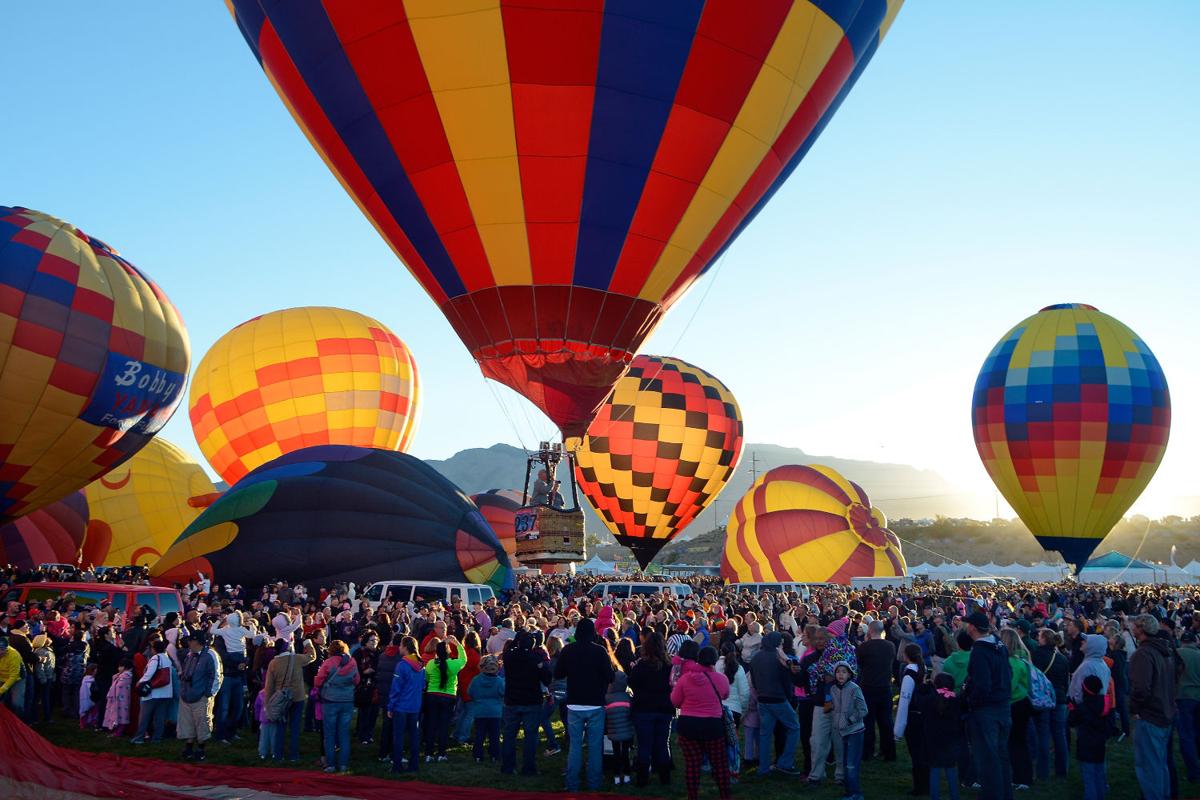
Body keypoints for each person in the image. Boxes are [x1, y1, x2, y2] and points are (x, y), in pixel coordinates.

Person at [554, 617, 614, 792]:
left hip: (574, 703)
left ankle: (572, 782)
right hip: (595, 703)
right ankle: (594, 783)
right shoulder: (600, 651)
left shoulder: (568, 650)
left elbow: (558, 673)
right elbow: (610, 676)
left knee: (575, 745)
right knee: (595, 746)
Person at [961, 611, 1012, 800]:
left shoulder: (980, 651)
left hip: (986, 710)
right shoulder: (999, 645)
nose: (966, 627)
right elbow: (1008, 674)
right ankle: (1004, 794)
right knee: (1001, 755)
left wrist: (970, 701)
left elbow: (982, 685)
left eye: (968, 625)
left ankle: (993, 795)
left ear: (973, 627)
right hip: (1003, 705)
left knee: (988, 758)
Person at [671, 643, 731, 800]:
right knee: (719, 764)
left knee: (692, 764)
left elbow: (675, 701)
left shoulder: (685, 679)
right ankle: (725, 794)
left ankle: (692, 796)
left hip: (688, 725)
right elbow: (725, 695)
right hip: (712, 725)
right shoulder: (721, 679)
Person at [1129, 614, 1176, 800]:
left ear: (1141, 629)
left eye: (1135, 626)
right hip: (1165, 712)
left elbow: (1141, 688)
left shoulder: (1144, 654)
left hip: (1150, 715)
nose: (1132, 628)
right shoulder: (1165, 651)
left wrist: (1135, 709)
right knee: (1160, 763)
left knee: (1149, 766)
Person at [749, 630, 801, 776]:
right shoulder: (779, 658)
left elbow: (753, 680)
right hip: (778, 698)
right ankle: (785, 762)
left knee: (765, 734)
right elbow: (787, 680)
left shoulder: (755, 657)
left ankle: (763, 767)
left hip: (762, 699)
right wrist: (788, 697)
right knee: (794, 727)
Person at [628, 631, 674, 787]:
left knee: (644, 744)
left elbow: (632, 683)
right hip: (663, 708)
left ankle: (642, 779)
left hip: (644, 709)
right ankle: (665, 777)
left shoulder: (642, 665)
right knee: (662, 744)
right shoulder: (669, 666)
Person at [501, 630, 549, 775]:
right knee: (530, 736)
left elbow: (508, 651)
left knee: (509, 735)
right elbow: (546, 679)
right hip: (531, 700)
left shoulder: (509, 656)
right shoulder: (535, 658)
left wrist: (517, 641)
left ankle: (508, 767)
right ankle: (529, 768)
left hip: (512, 699)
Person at [263, 636, 317, 761]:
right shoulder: (297, 659)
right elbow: (312, 656)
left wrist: (268, 705)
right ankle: (294, 754)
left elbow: (269, 686)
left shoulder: (273, 663)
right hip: (297, 697)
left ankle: (278, 755)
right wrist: (308, 643)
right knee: (295, 727)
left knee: (280, 727)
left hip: (281, 699)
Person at [314, 639, 360, 773]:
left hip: (330, 700)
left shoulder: (328, 663)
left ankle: (330, 764)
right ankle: (344, 764)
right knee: (344, 733)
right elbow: (356, 680)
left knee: (329, 734)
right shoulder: (352, 662)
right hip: (347, 700)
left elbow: (318, 681)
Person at [856, 620, 897, 763]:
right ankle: (889, 752)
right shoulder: (890, 646)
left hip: (868, 686)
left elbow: (860, 664)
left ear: (869, 631)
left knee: (868, 722)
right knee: (886, 721)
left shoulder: (864, 647)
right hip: (885, 686)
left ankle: (867, 751)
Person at [1030, 628, 1069, 778]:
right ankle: (1062, 769)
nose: (1038, 638)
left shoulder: (1036, 655)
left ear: (1044, 639)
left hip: (1043, 699)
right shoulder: (1062, 658)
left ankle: (1043, 771)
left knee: (1043, 734)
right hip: (1059, 699)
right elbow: (1065, 681)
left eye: (1039, 636)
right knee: (1059, 735)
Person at [998, 627, 1034, 790]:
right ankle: (1023, 776)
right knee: (1020, 741)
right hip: (1023, 702)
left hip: (1014, 704)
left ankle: (1020, 777)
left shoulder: (1011, 663)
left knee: (1014, 742)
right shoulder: (1023, 660)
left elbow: (1008, 687)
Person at [893, 643, 929, 795]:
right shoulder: (923, 670)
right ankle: (925, 784)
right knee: (922, 753)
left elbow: (904, 702)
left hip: (913, 717)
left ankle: (920, 786)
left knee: (916, 755)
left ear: (906, 656)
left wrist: (898, 729)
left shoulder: (909, 675)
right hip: (924, 716)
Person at [423, 635, 466, 762]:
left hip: (432, 695)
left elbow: (427, 678)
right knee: (444, 725)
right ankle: (441, 753)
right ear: (448, 652)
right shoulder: (453, 664)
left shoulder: (431, 664)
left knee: (431, 724)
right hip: (448, 696)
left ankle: (428, 754)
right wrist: (457, 643)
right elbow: (464, 659)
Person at [178, 633, 219, 761]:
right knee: (187, 722)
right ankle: (189, 746)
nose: (189, 644)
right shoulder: (190, 655)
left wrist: (209, 693)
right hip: (187, 695)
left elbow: (216, 675)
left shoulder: (210, 655)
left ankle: (201, 748)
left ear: (197, 642)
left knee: (202, 723)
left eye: (190, 641)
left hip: (201, 696)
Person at [386, 635, 424, 773]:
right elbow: (422, 686)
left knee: (398, 736)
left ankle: (397, 765)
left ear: (406, 647)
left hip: (401, 706)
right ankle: (414, 765)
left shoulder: (402, 665)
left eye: (401, 645)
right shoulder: (421, 666)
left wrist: (391, 706)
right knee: (414, 736)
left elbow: (396, 688)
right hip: (415, 706)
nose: (399, 648)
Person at [1070, 674, 1110, 800]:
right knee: (1099, 774)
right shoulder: (1104, 703)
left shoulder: (1082, 707)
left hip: (1085, 745)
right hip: (1100, 745)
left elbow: (1071, 722)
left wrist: (1072, 710)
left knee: (1088, 778)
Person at [831, 660, 867, 800]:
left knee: (852, 764)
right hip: (841, 731)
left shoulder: (854, 688)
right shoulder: (833, 689)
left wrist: (850, 720)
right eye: (838, 672)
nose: (841, 674)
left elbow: (863, 709)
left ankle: (856, 794)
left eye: (844, 672)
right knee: (845, 763)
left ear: (849, 674)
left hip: (854, 731)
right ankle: (849, 792)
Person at [923, 673, 962, 800]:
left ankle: (935, 797)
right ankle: (954, 796)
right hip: (951, 741)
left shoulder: (929, 700)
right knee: (951, 769)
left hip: (933, 740)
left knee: (934, 769)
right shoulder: (956, 701)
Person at [132, 638, 174, 744]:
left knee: (144, 717)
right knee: (160, 718)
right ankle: (157, 738)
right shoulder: (167, 658)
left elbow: (149, 673)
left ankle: (139, 738)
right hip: (166, 693)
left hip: (153, 693)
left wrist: (140, 683)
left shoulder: (155, 658)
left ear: (153, 649)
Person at [1175, 633, 1200, 783]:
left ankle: (1193, 771)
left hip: (1183, 697)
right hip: (1198, 696)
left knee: (1186, 735)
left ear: (1182, 641)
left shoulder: (1178, 654)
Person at [469, 655, 504, 763]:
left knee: (479, 735)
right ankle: (494, 755)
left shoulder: (476, 680)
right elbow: (503, 693)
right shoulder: (499, 681)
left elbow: (470, 692)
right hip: (495, 712)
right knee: (494, 736)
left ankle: (478, 756)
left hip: (480, 711)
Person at [605, 662, 634, 785]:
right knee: (625, 753)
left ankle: (617, 777)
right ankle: (627, 775)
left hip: (613, 731)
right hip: (627, 731)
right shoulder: (628, 697)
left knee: (616, 753)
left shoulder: (606, 698)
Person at [103, 658, 134, 736]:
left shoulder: (126, 676)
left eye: (121, 666)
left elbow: (120, 686)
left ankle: (119, 732)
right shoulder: (119, 676)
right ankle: (116, 730)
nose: (119, 668)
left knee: (122, 714)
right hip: (117, 699)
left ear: (126, 667)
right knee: (117, 714)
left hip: (122, 700)